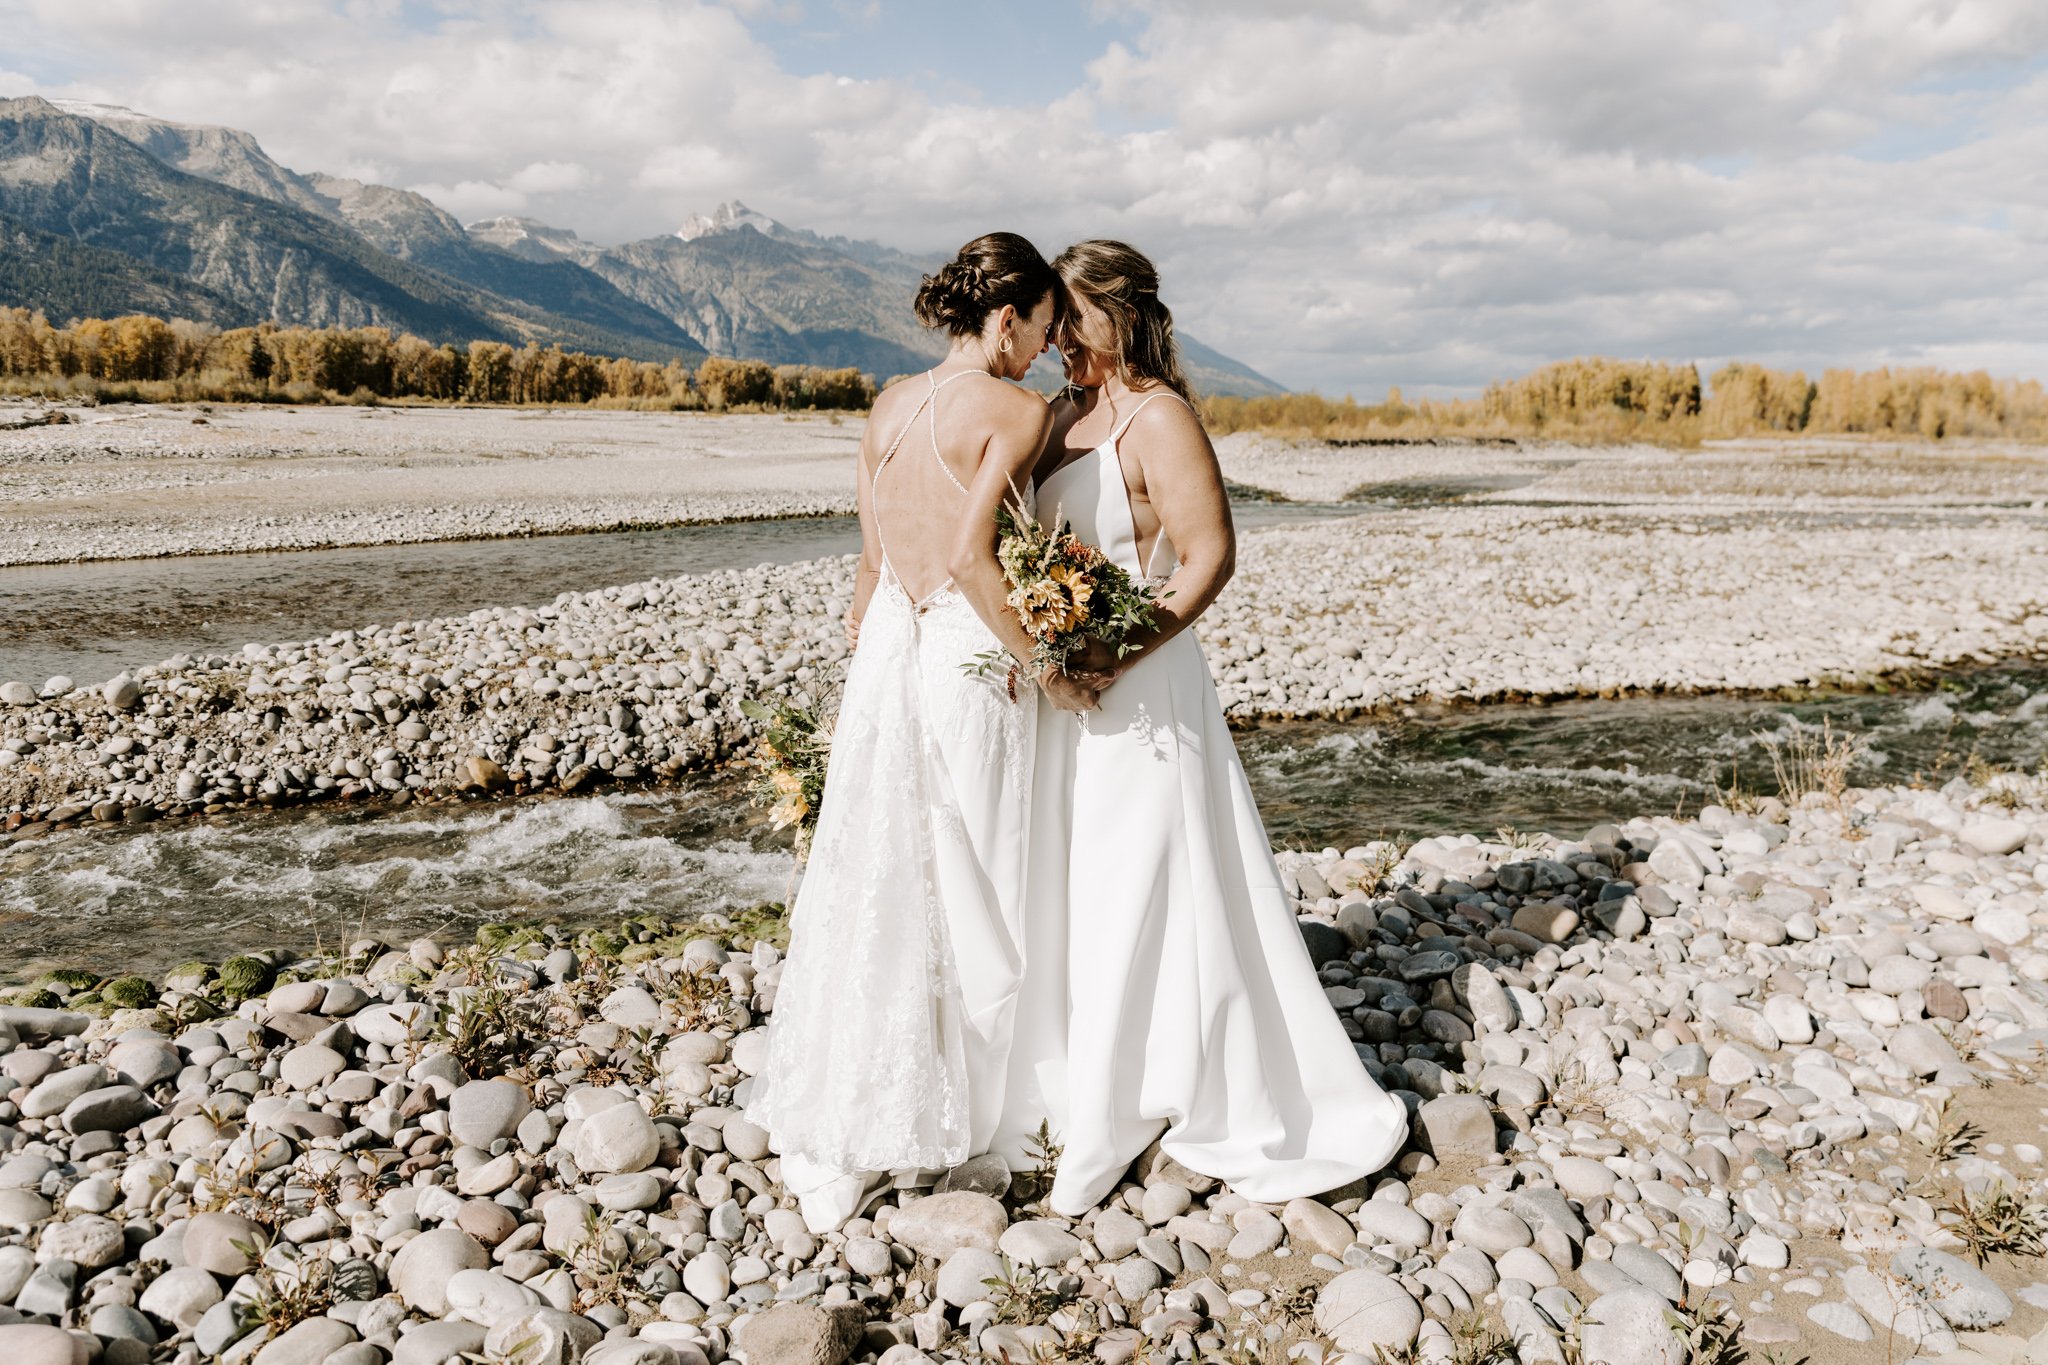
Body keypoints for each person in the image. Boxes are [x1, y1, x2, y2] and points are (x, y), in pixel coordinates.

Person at [1021, 238, 1408, 1216]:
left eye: (1071, 318)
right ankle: (1075, 1076)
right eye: (1049, 322)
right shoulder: (1057, 413)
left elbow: (1206, 557)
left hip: (1139, 683)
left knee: (1145, 876)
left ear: (1119, 313)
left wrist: (1116, 649)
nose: (1057, 338)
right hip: (1053, 684)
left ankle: (1164, 1086)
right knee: (1069, 877)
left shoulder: (1160, 418)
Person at [742, 232, 1099, 1233]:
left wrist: (867, 643)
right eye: (1038, 325)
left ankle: (859, 1095)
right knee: (975, 875)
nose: (1042, 346)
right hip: (961, 655)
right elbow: (969, 551)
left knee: (879, 873)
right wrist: (1045, 662)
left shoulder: (889, 405)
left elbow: (868, 559)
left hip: (888, 651)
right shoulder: (1018, 411)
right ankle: (970, 1110)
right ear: (1005, 316)